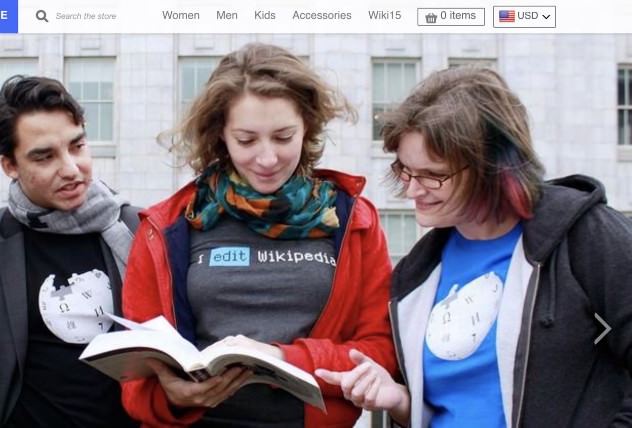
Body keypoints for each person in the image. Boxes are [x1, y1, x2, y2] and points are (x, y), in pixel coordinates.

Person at [316, 67, 632, 427]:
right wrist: (401, 399)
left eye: (434, 175)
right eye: (405, 170)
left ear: (494, 168)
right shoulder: (415, 275)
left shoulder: (587, 237)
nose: (412, 190)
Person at [119, 42, 397, 427]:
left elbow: (381, 353)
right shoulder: (168, 227)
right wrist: (171, 397)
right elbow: (135, 383)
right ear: (221, 135)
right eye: (246, 140)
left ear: (308, 127)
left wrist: (283, 357)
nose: (267, 159)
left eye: (284, 137)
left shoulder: (353, 220)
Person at [0, 75, 139, 428]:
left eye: (77, 146)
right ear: (9, 166)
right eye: (45, 157)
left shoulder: (137, 229)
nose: (71, 169)